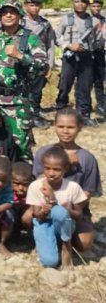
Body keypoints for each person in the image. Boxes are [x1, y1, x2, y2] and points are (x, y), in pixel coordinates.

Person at [0, 0, 47, 159]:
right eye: (5, 12)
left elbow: (41, 65)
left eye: (13, 12)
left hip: (18, 101)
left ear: (20, 16)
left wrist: (21, 56)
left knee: (20, 147)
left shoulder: (30, 38)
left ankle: (23, 181)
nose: (8, 15)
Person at [32, 108, 101, 252]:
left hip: (74, 208)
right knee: (27, 217)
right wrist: (66, 163)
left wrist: (69, 208)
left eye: (70, 127)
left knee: (85, 243)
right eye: (61, 126)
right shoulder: (44, 153)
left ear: (79, 128)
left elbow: (88, 192)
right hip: (45, 205)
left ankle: (63, 237)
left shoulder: (87, 158)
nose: (65, 131)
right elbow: (37, 182)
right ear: (54, 126)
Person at [27, 146, 88, 268]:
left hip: (65, 225)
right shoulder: (35, 186)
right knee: (50, 262)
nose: (51, 173)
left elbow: (78, 215)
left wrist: (57, 203)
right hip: (44, 224)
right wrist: (43, 211)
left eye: (56, 169)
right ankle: (50, 244)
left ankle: (66, 245)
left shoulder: (72, 187)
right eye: (47, 168)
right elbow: (37, 217)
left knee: (59, 212)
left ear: (65, 169)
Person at [55, 0, 98, 125]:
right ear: (73, 3)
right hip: (70, 56)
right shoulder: (66, 19)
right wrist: (68, 45)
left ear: (87, 5)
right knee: (65, 84)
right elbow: (56, 37)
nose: (80, 5)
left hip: (86, 57)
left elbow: (96, 40)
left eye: (83, 2)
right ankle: (61, 110)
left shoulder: (92, 20)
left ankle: (83, 114)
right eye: (77, 2)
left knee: (84, 86)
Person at [22, 0, 56, 127]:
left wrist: (50, 65)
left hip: (39, 63)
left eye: (37, 5)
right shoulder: (20, 22)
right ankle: (25, 115)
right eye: (31, 5)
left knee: (37, 91)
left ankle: (35, 116)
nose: (35, 8)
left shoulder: (45, 24)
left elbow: (50, 45)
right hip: (22, 61)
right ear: (25, 6)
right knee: (23, 90)